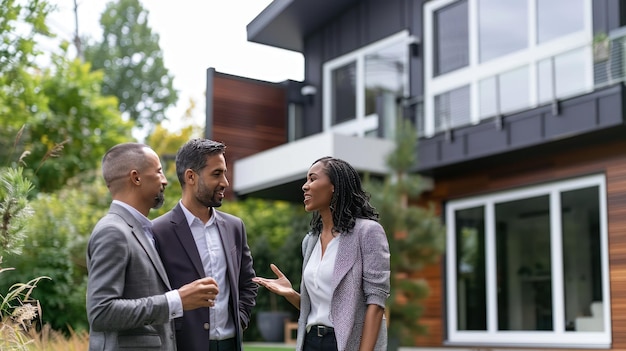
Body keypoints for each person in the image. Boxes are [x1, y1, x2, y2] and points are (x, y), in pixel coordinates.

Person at [86, 142, 220, 351]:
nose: (165, 180)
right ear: (136, 177)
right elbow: (101, 312)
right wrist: (177, 300)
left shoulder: (143, 230)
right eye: (158, 172)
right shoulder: (113, 231)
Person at [253, 156, 391, 351]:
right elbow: (322, 309)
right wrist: (290, 294)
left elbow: (376, 304)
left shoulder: (367, 232)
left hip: (344, 344)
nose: (305, 186)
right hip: (310, 341)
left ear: (334, 186)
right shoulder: (310, 241)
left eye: (313, 178)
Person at [152, 138, 257, 351]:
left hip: (230, 344)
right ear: (191, 176)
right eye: (217, 174)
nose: (225, 182)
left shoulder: (235, 227)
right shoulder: (157, 231)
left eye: (224, 173)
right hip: (184, 345)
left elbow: (248, 283)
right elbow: (152, 294)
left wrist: (241, 318)